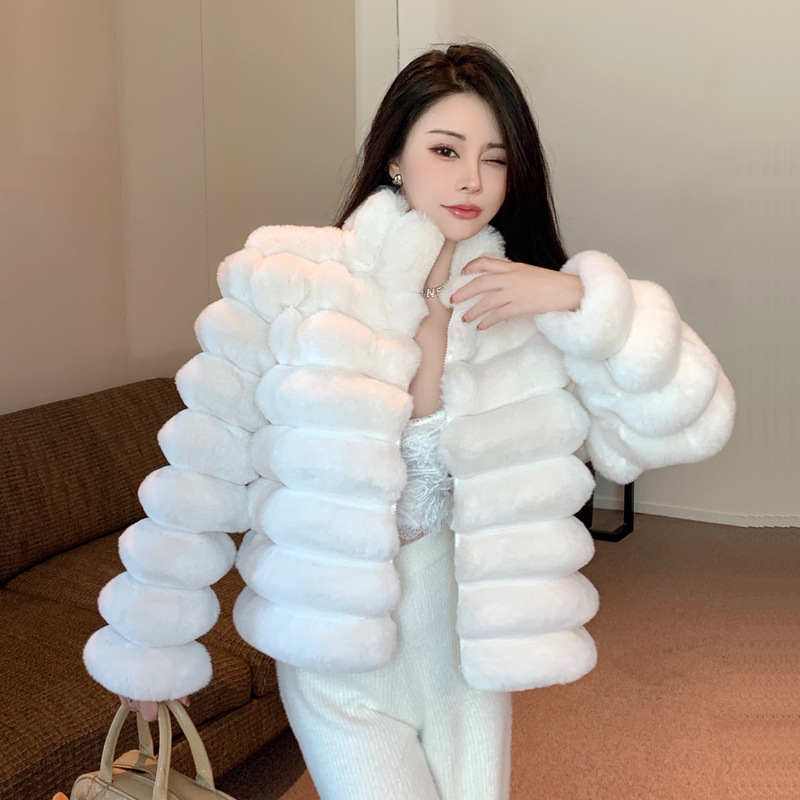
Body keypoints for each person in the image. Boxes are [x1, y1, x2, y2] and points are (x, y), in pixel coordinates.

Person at [84, 43, 735, 800]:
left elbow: (681, 419)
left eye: (495, 159)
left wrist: (579, 297)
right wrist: (148, 645)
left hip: (463, 647)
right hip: (333, 651)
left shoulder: (519, 310)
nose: (472, 180)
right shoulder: (294, 284)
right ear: (395, 157)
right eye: (446, 150)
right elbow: (202, 467)